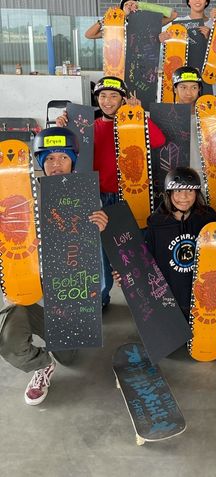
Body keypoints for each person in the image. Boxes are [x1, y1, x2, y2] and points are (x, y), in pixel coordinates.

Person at [0, 127, 108, 405]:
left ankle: (58, 347)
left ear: (73, 159)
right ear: (40, 163)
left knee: (70, 357)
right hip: (28, 291)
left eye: (62, 156)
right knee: (10, 343)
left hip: (68, 295)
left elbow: (92, 262)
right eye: (48, 158)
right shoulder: (22, 195)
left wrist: (101, 231)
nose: (56, 164)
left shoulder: (86, 196)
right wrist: (8, 284)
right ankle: (40, 366)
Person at [56, 76, 166, 306]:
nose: (107, 101)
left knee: (136, 247)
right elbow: (68, 153)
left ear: (123, 98)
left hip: (133, 196)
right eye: (103, 96)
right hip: (99, 196)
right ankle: (102, 297)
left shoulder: (134, 123)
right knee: (101, 250)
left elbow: (158, 141)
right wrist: (64, 129)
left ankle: (145, 300)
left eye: (113, 95)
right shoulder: (89, 128)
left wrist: (140, 115)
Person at [140, 168, 216, 320]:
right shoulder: (157, 222)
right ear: (169, 193)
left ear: (197, 193)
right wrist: (127, 274)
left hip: (200, 295)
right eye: (178, 191)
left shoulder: (207, 217)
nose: (184, 197)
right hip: (170, 296)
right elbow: (146, 259)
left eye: (190, 191)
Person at [171, 65, 216, 181]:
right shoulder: (166, 115)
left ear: (199, 89)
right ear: (175, 89)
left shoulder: (213, 113)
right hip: (178, 174)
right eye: (183, 87)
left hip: (207, 174)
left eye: (193, 87)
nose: (188, 92)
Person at [85, 0, 175, 39]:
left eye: (132, 4)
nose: (129, 6)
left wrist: (143, 6)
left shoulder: (149, 25)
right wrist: (107, 18)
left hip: (143, 67)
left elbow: (173, 14)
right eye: (126, 5)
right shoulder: (116, 28)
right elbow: (89, 35)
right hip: (120, 68)